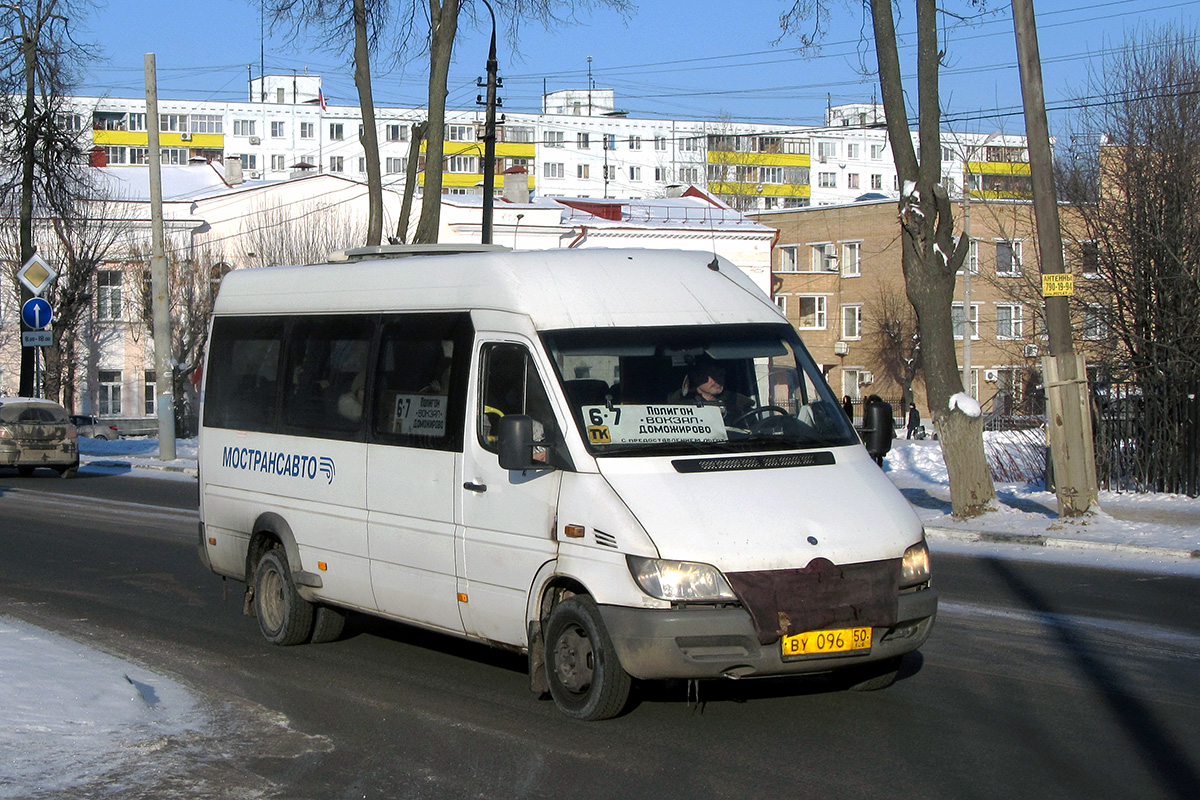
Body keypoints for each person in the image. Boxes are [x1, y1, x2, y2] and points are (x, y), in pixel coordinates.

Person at [669, 362, 753, 422]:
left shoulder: (738, 403)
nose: (717, 380)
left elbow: (754, 431)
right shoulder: (680, 405)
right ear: (697, 377)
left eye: (720, 374)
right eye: (713, 375)